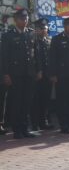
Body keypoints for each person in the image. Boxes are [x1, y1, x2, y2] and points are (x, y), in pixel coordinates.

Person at [1, 8, 38, 139]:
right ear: (16, 20)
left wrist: (38, 71)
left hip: (29, 73)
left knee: (27, 101)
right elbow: (4, 57)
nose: (25, 20)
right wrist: (5, 74)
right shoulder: (8, 36)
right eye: (22, 18)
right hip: (15, 74)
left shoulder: (31, 34)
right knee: (16, 102)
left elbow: (35, 55)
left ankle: (25, 128)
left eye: (26, 18)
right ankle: (17, 130)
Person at [30, 18, 54, 131]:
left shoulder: (49, 40)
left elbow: (53, 58)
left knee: (46, 99)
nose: (43, 30)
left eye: (45, 28)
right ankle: (35, 123)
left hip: (48, 75)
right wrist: (37, 71)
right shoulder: (33, 40)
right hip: (37, 76)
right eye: (41, 28)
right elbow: (34, 58)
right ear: (37, 29)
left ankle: (44, 121)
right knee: (36, 100)